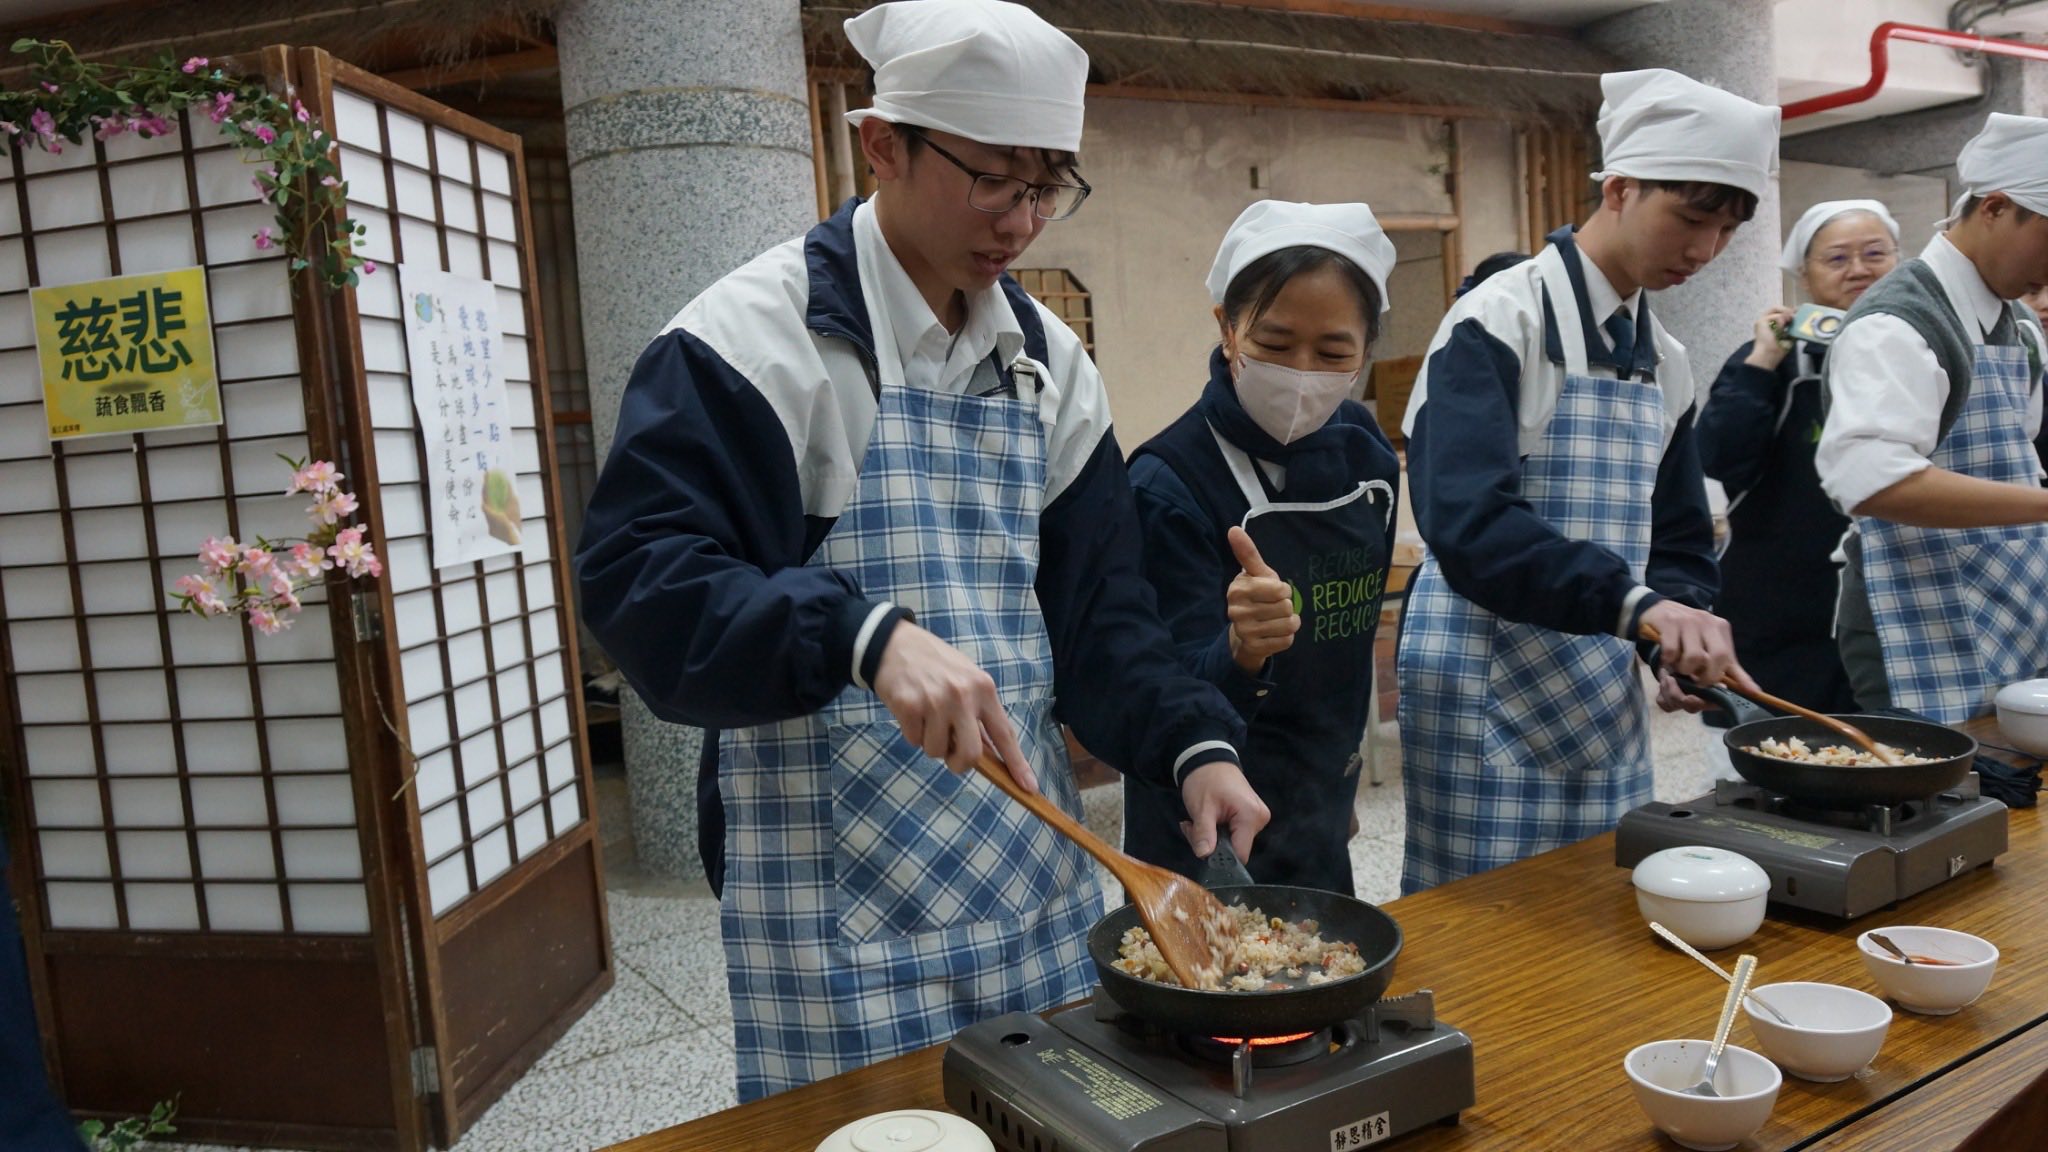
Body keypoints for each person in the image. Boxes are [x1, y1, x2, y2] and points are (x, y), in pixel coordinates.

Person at [573, 0, 1270, 1100]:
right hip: (832, 895)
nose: (1021, 220)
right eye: (993, 178)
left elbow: (1100, 612)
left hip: (1028, 873)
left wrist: (1190, 741)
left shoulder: (1046, 363)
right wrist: (857, 633)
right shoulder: (749, 344)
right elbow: (638, 581)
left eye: (1046, 184)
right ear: (881, 144)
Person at [1396, 69, 1775, 893]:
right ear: (1621, 186)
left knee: (1597, 916)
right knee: (1482, 928)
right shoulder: (1499, 322)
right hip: (1482, 686)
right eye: (1692, 218)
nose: (1704, 251)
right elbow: (1468, 525)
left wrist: (1672, 634)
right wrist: (1636, 605)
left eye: (1728, 232)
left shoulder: (1662, 362)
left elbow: (1676, 535)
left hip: (1596, 694)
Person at [1122, 202, 1403, 894]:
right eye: (1275, 343)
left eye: (1333, 352)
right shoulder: (1168, 480)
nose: (1302, 373)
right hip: (1201, 808)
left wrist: (1336, 790)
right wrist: (1241, 648)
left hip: (1320, 799)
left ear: (1366, 350)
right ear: (1227, 328)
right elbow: (1152, 683)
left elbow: (1351, 640)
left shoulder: (1371, 461)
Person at [1818, 112, 2048, 724]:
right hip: (1910, 618)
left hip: (2010, 604)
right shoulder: (1896, 324)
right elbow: (1875, 480)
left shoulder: (2019, 328)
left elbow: (2014, 464)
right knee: (1941, 809)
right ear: (1995, 207)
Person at [1695, 200, 1900, 716]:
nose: (1859, 269)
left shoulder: (1923, 356)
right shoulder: (1773, 362)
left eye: (1875, 253)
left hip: (1896, 610)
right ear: (1803, 276)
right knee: (1769, 770)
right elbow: (1717, 456)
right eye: (1836, 258)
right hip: (1780, 617)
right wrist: (1763, 359)